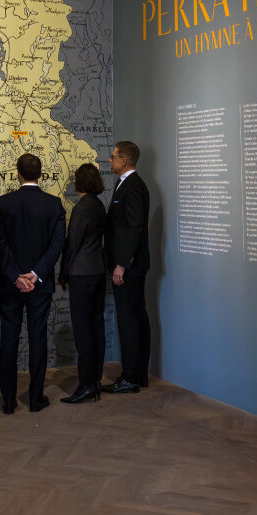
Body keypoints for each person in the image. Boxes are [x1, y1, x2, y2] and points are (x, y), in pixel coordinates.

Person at [0, 153, 65, 414]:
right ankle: (36, 399)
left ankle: (8, 402)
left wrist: (16, 275)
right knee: (38, 339)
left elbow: (0, 244)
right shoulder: (54, 204)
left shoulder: (4, 203)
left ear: (18, 174)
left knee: (9, 340)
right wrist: (36, 274)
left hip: (10, 284)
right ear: (41, 174)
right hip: (40, 285)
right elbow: (57, 244)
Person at [102, 141, 150, 395]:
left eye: (113, 157)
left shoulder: (133, 187)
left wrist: (122, 263)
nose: (110, 160)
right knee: (134, 317)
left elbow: (134, 228)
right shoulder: (127, 184)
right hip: (129, 265)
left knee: (130, 320)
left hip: (129, 267)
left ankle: (131, 377)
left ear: (125, 160)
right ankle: (137, 375)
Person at [58, 163, 107, 404]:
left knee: (83, 331)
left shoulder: (81, 208)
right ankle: (94, 381)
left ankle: (86, 384)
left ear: (80, 182)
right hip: (97, 271)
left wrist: (63, 273)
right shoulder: (98, 205)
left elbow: (73, 243)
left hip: (81, 274)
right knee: (96, 328)